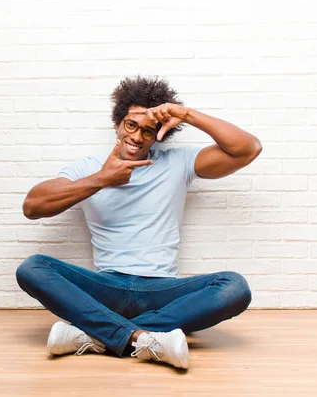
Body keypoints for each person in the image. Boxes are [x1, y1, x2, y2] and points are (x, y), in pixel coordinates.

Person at [16, 75, 262, 370]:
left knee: (235, 287)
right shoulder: (89, 168)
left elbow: (248, 149)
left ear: (159, 134)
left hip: (161, 292)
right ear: (118, 124)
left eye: (148, 130)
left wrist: (186, 114)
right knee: (32, 268)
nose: (136, 136)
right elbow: (33, 206)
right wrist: (101, 180)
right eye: (130, 125)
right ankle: (145, 338)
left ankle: (99, 334)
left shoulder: (177, 162)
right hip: (105, 288)